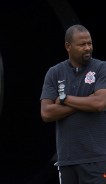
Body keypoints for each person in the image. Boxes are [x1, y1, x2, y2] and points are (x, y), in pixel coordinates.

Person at [40, 24, 106, 184]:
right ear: (68, 46)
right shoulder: (55, 72)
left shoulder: (101, 68)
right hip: (67, 160)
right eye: (82, 44)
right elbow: (47, 113)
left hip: (96, 158)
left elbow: (99, 103)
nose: (87, 48)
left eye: (89, 43)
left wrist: (64, 99)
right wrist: (85, 100)